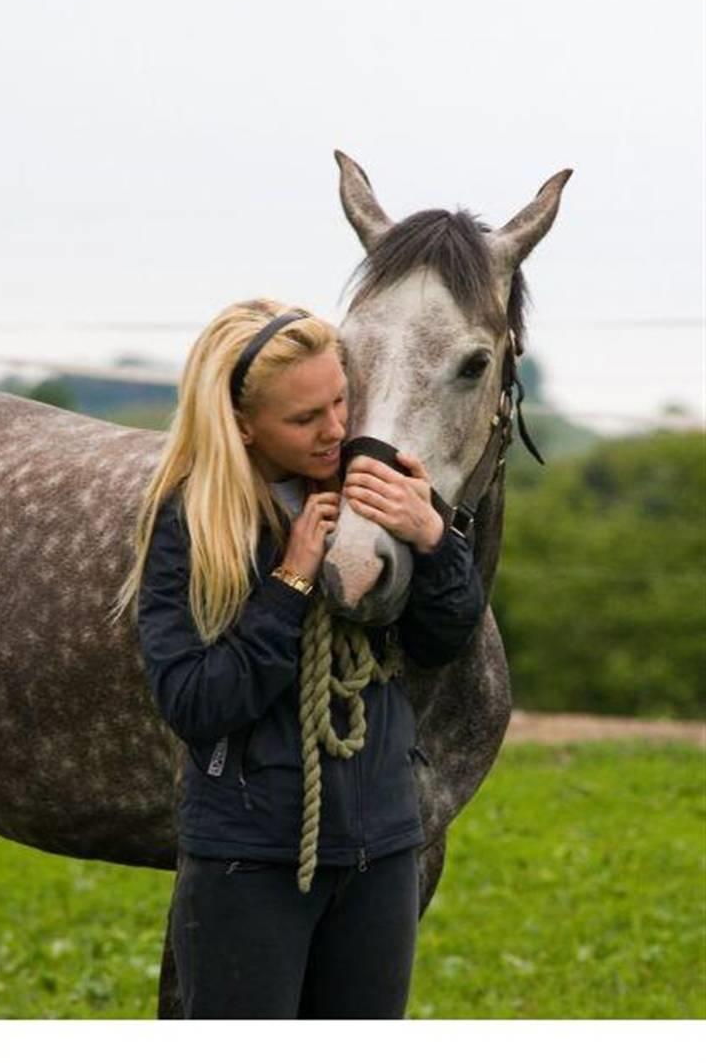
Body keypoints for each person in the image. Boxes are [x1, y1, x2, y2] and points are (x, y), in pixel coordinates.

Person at [114, 298, 485, 1019]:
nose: (337, 430)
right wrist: (289, 582)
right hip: (249, 857)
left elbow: (443, 641)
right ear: (242, 424)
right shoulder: (189, 523)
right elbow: (195, 703)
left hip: (380, 849)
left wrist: (434, 539)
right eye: (305, 418)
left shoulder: (368, 486)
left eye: (340, 399)